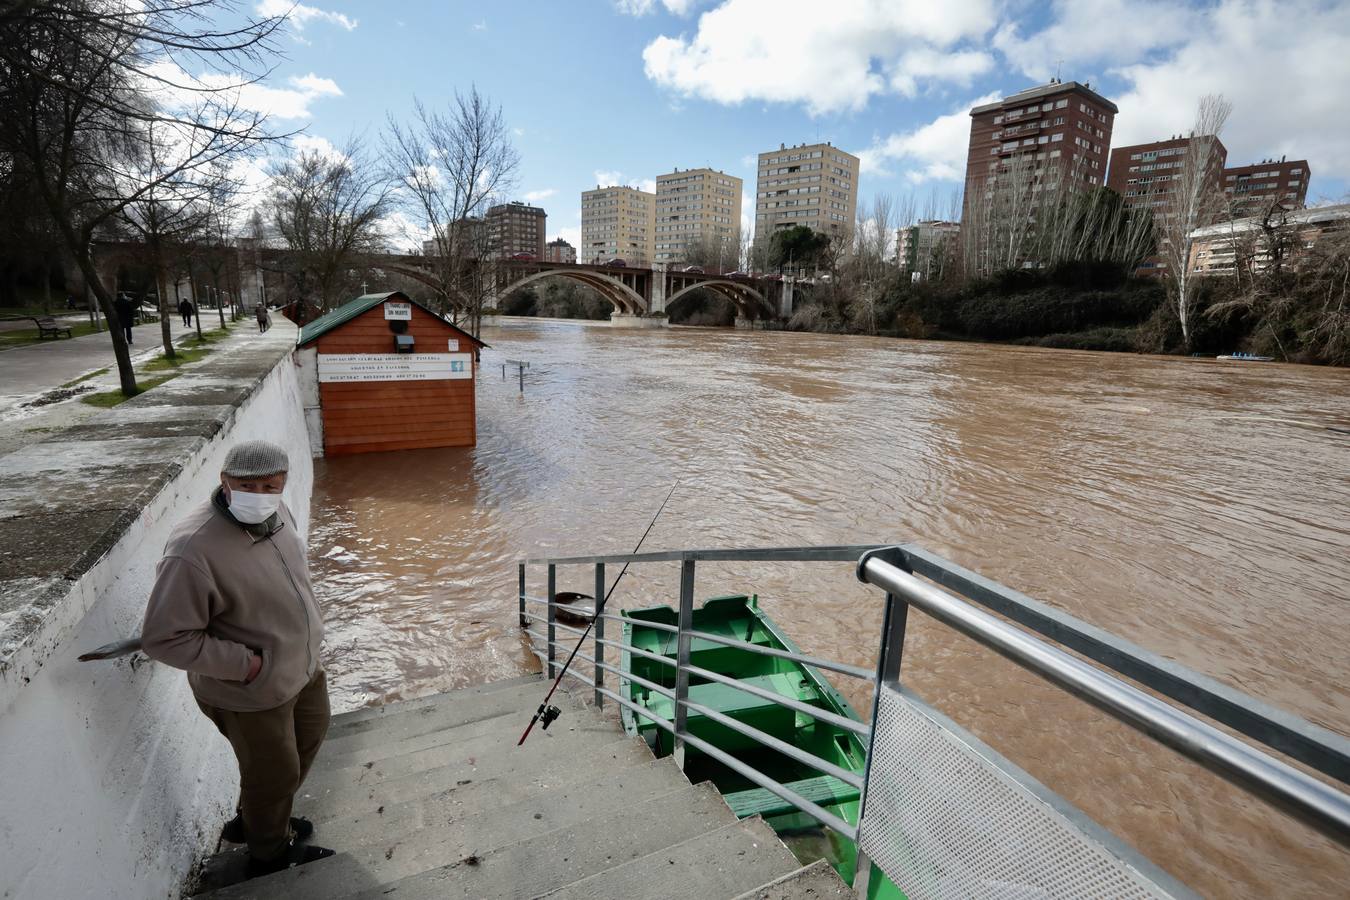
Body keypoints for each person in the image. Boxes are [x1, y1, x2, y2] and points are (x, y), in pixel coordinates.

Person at [140, 441, 335, 880]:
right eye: (246, 484)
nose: (259, 493)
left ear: (283, 482)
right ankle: (269, 853)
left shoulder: (276, 514)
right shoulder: (193, 547)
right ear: (225, 481)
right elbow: (164, 638)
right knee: (274, 774)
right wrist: (248, 665)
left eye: (270, 484)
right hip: (250, 688)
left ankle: (259, 819)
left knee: (310, 739)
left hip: (302, 668)